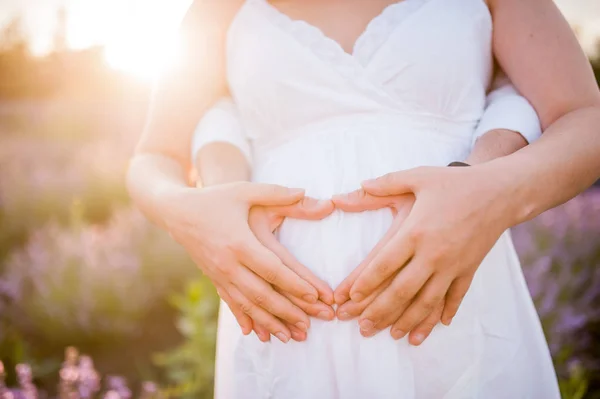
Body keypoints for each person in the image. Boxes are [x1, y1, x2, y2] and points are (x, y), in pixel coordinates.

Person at [127, 0, 600, 397]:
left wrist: (492, 194)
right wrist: (188, 217)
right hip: (285, 337)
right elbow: (153, 157)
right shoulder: (217, 8)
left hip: (458, 319)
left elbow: (585, 118)